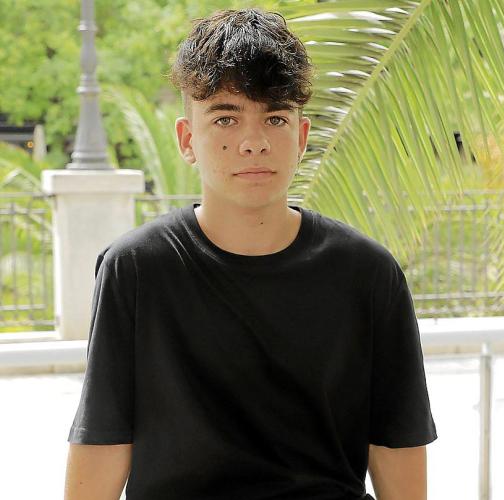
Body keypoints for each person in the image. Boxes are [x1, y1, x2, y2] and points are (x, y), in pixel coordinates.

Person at [64, 7, 437, 500]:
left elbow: (397, 449)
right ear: (187, 139)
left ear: (301, 137)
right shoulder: (136, 268)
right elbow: (104, 442)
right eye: (226, 118)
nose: (253, 143)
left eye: (276, 118)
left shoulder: (367, 273)